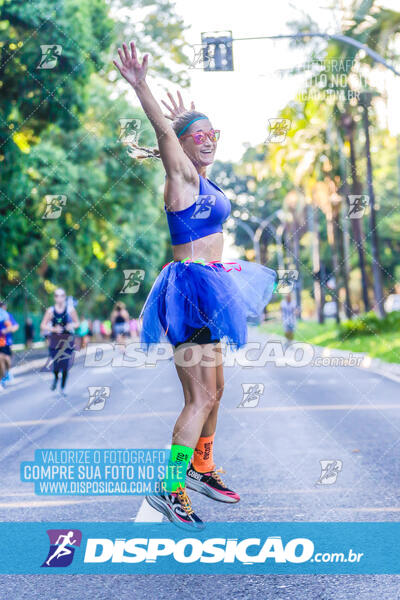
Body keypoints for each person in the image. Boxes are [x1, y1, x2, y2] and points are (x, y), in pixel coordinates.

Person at [113, 41, 276, 529]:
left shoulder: (204, 177)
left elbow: (185, 135)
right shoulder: (180, 175)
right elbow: (165, 133)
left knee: (217, 389)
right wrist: (142, 86)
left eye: (212, 133)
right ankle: (171, 485)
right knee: (199, 397)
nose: (208, 140)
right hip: (189, 293)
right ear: (180, 146)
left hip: (212, 287)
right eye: (198, 135)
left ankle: (202, 466)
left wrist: (192, 120)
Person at [40, 288, 79, 396]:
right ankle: (56, 378)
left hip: (67, 340)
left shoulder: (70, 309)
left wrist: (71, 325)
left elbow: (77, 323)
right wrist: (53, 329)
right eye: (57, 296)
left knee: (65, 365)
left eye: (62, 295)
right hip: (55, 341)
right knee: (56, 366)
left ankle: (62, 388)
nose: (59, 298)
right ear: (54, 298)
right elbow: (42, 325)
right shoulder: (50, 310)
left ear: (65, 297)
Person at [0, 301, 19, 389]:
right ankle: (2, 378)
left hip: (6, 341)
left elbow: (15, 326)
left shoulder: (7, 316)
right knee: (0, 358)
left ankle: (8, 373)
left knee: (7, 359)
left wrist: (7, 330)